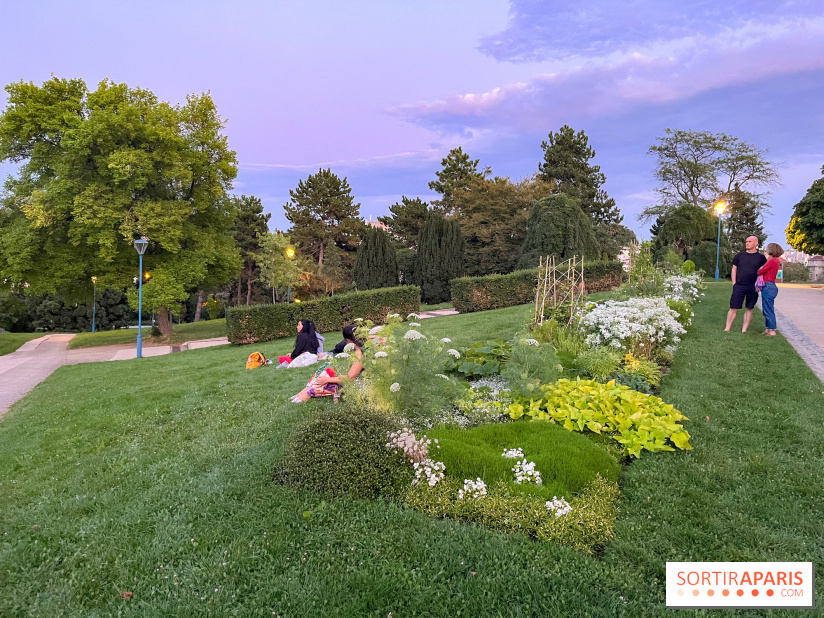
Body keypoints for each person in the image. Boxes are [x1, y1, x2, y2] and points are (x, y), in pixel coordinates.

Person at [290, 328, 364, 402]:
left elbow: (350, 378)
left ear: (347, 340)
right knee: (327, 367)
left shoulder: (359, 355)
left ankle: (307, 393)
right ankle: (307, 389)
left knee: (325, 379)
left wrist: (326, 380)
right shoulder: (358, 349)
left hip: (359, 386)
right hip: (353, 381)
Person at [725, 236, 767, 333]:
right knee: (733, 307)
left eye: (750, 241)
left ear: (756, 243)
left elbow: (764, 270)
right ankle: (727, 328)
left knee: (749, 307)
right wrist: (734, 283)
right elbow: (734, 269)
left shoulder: (761, 258)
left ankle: (744, 329)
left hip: (753, 287)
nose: (747, 243)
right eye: (746, 241)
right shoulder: (739, 256)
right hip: (739, 285)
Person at [758, 243, 784, 337]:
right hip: (770, 286)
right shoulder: (775, 261)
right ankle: (768, 328)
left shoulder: (771, 260)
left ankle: (772, 330)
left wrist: (760, 268)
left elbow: (760, 271)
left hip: (768, 286)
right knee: (767, 308)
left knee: (768, 309)